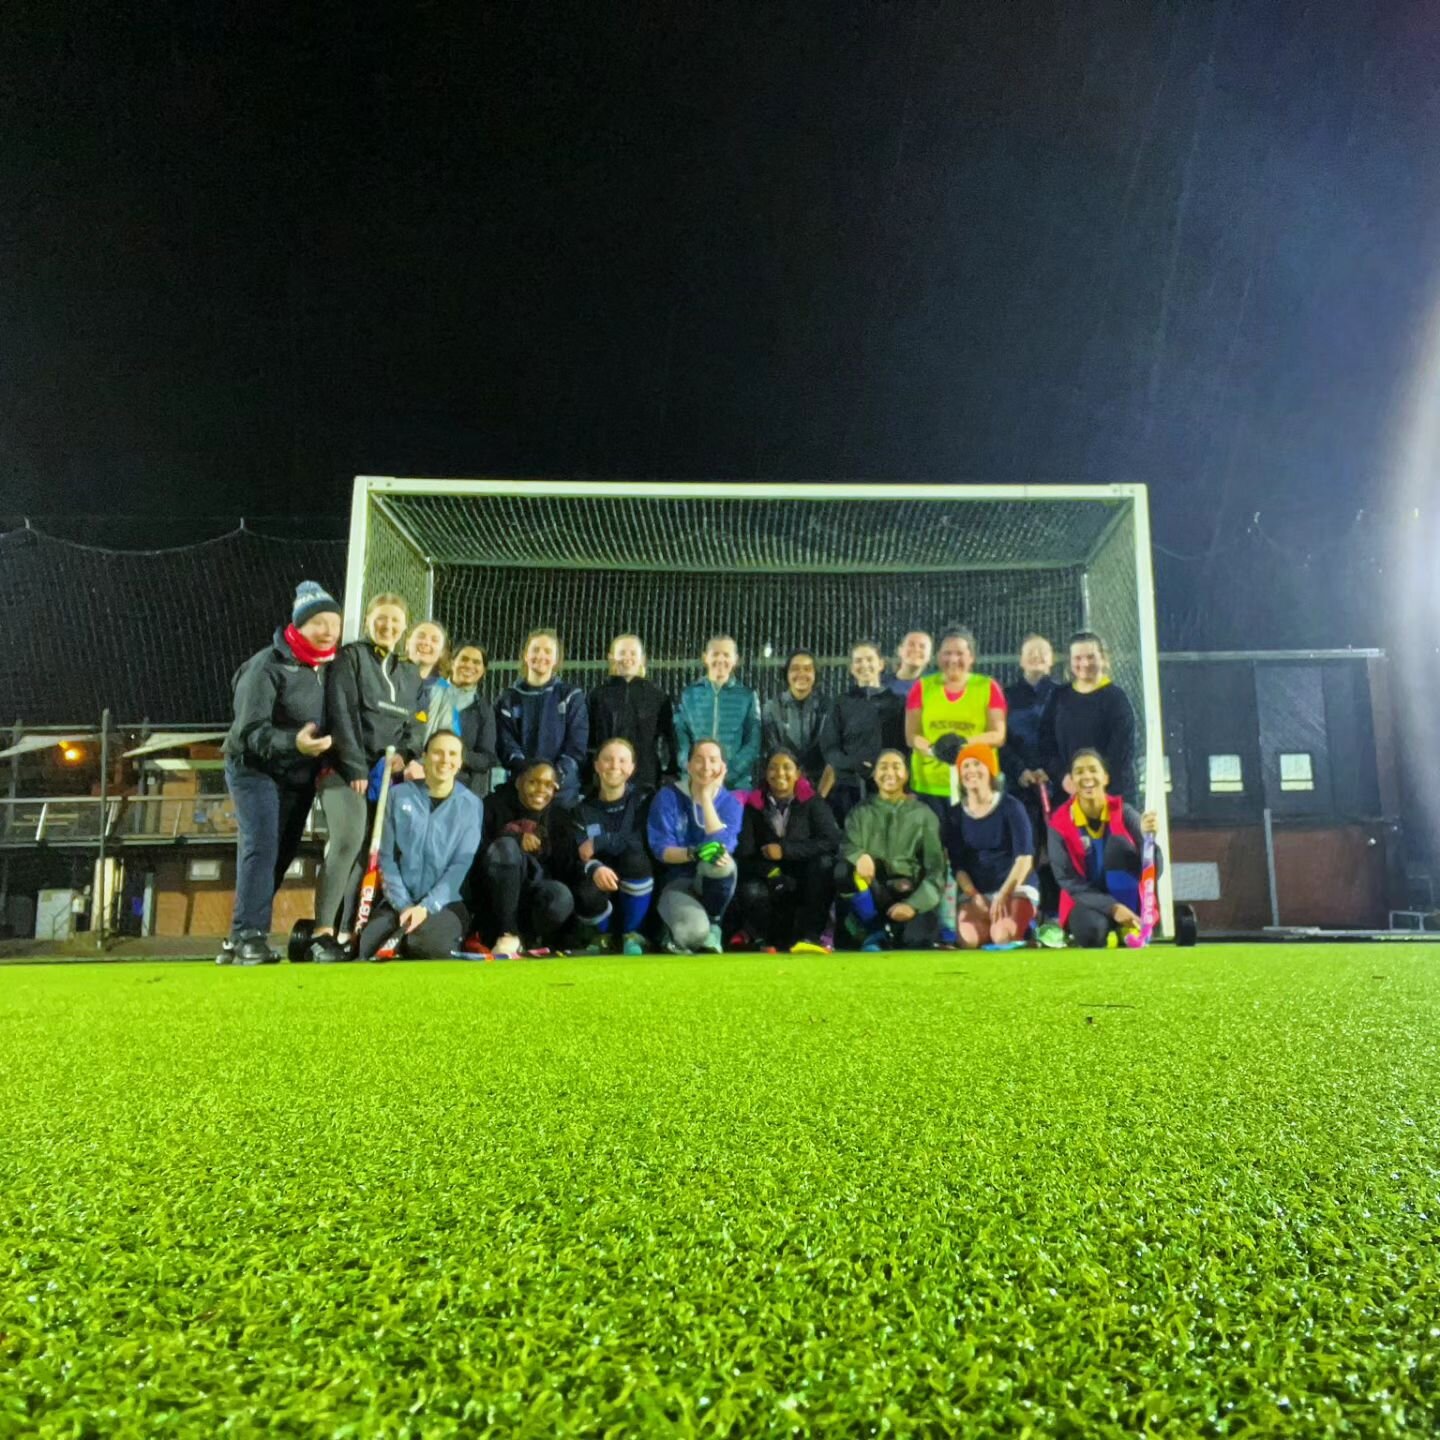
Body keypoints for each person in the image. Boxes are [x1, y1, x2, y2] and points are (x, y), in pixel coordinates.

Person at [220, 580, 341, 966]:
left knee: (283, 851)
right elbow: (249, 732)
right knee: (262, 844)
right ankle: (250, 934)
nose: (328, 631)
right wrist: (296, 744)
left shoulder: (333, 667)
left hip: (298, 775)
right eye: (318, 623)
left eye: (333, 623)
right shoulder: (265, 666)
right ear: (298, 625)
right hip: (254, 768)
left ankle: (236, 940)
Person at [312, 591, 422, 961]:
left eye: (395, 620)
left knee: (367, 853)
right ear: (368, 622)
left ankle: (348, 932)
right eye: (381, 619)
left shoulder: (408, 672)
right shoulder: (351, 658)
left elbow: (413, 726)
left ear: (404, 627)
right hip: (345, 770)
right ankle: (321, 932)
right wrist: (356, 766)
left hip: (384, 775)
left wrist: (404, 755)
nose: (388, 626)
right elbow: (341, 712)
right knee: (347, 840)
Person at [360, 730, 482, 960]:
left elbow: (460, 865)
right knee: (370, 945)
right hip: (400, 901)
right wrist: (404, 905)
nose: (445, 760)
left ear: (460, 762)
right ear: (424, 757)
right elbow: (386, 856)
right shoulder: (397, 796)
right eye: (437, 753)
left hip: (445, 903)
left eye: (452, 754)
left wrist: (427, 906)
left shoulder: (471, 805)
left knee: (429, 945)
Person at [476, 759, 591, 958]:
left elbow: (567, 869)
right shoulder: (492, 806)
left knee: (561, 897)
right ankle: (506, 934)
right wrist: (516, 839)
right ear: (518, 782)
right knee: (506, 848)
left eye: (548, 785)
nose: (541, 790)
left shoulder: (559, 818)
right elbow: (478, 852)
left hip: (536, 896)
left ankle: (529, 940)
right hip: (495, 898)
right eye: (533, 782)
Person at [1047, 749, 1161, 948]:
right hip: (1086, 901)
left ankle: (1128, 927)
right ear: (1072, 781)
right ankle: (1113, 930)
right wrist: (1113, 908)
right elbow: (1067, 880)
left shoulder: (1126, 814)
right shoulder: (1059, 823)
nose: (1087, 776)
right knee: (1091, 934)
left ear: (1105, 777)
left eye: (1093, 770)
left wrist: (1147, 838)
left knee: (1117, 844)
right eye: (1079, 772)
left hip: (1128, 900)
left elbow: (1154, 869)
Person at [835, 749, 945, 951]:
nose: (890, 773)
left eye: (896, 767)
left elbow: (936, 871)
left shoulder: (924, 815)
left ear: (907, 774)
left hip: (909, 892)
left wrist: (913, 905)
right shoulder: (860, 812)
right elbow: (847, 845)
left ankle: (886, 935)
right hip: (873, 891)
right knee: (843, 871)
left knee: (914, 941)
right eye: (883, 767)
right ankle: (873, 930)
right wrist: (859, 856)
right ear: (874, 774)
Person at [736, 748, 840, 953]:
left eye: (786, 767)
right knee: (750, 889)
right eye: (773, 768)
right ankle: (762, 937)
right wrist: (771, 872)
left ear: (798, 773)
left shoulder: (813, 802)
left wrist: (785, 850)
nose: (780, 773)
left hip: (807, 879)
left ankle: (812, 936)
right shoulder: (754, 806)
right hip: (771, 879)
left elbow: (831, 840)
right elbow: (745, 853)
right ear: (765, 773)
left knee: (825, 864)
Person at [647, 738, 743, 953]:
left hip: (710, 882)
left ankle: (714, 923)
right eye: (699, 760)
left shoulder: (731, 803)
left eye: (713, 760)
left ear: (723, 768)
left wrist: (706, 799)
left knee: (721, 864)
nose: (706, 767)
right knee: (692, 935)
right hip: (678, 883)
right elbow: (661, 849)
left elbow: (720, 848)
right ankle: (674, 929)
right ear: (689, 765)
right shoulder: (668, 797)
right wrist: (694, 853)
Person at [904, 626, 1007, 823]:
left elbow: (998, 735)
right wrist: (935, 750)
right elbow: (912, 736)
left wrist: (963, 743)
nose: (953, 659)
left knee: (970, 849)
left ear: (971, 657)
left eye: (959, 653)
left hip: (975, 785)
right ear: (938, 656)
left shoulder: (988, 687)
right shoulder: (922, 687)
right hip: (929, 786)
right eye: (947, 653)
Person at [567, 737, 655, 956]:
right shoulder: (582, 809)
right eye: (607, 759)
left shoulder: (645, 799)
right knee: (585, 882)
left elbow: (638, 841)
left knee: (634, 858)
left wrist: (600, 841)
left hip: (635, 880)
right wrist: (595, 867)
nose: (615, 766)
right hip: (602, 881)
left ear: (632, 768)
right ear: (597, 765)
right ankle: (602, 936)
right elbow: (579, 854)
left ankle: (632, 934)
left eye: (622, 760)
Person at [944, 743, 1038, 949]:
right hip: (977, 893)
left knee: (1002, 935)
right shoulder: (955, 815)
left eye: (977, 764)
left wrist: (1003, 895)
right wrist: (975, 896)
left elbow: (1024, 859)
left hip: (1014, 889)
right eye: (965, 766)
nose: (970, 771)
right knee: (968, 940)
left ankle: (1029, 927)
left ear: (990, 770)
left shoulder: (1012, 807)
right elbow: (958, 866)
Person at [1040, 630, 1137, 803]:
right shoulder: (1058, 697)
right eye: (1077, 658)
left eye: (1091, 657)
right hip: (1068, 797)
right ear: (1070, 662)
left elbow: (1121, 752)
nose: (1084, 663)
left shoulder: (1116, 698)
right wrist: (1063, 778)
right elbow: (1045, 745)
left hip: (1110, 797)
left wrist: (1092, 783)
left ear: (1103, 658)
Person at [496, 629, 589, 806]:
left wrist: (552, 778)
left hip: (561, 793)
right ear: (525, 655)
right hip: (522, 790)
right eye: (536, 649)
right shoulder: (508, 698)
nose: (541, 655)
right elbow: (505, 742)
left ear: (556, 659)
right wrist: (527, 775)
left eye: (548, 651)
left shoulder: (571, 695)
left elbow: (577, 745)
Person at [818, 640, 905, 824]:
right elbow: (830, 748)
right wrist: (854, 764)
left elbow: (904, 747)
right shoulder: (841, 703)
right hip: (848, 790)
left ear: (881, 664)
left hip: (888, 790)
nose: (864, 665)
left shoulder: (897, 703)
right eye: (858, 661)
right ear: (851, 668)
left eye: (869, 659)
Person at [1001, 634, 1059, 912]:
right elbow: (1001, 743)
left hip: (1056, 789)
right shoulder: (1006, 696)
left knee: (1058, 852)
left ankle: (1057, 915)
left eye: (1042, 651)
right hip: (1019, 789)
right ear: (1021, 659)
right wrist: (1020, 770)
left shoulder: (1063, 694)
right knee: (1026, 851)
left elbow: (1065, 739)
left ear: (1052, 659)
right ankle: (1025, 917)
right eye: (1030, 652)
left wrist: (1051, 770)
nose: (1036, 656)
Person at [587, 633, 677, 791]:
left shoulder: (657, 696)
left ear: (643, 658)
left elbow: (670, 738)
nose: (627, 657)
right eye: (622, 653)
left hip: (646, 778)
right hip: (606, 776)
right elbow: (589, 739)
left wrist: (669, 772)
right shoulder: (597, 695)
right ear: (611, 657)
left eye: (633, 653)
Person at [674, 635, 761, 790]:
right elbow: (680, 736)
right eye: (715, 654)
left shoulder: (747, 696)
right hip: (694, 782)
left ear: (735, 659)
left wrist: (727, 774)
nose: (720, 659)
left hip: (735, 786)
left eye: (726, 655)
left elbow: (753, 743)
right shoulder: (689, 695)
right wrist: (693, 768)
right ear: (705, 658)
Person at [761, 649, 828, 786]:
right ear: (786, 673)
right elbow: (771, 747)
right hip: (783, 782)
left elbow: (829, 750)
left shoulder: (827, 707)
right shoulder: (772, 708)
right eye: (795, 669)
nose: (801, 674)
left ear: (815, 674)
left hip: (819, 784)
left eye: (807, 669)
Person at [449, 643, 498, 799]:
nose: (469, 665)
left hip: (461, 789)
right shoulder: (429, 694)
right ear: (452, 662)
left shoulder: (484, 710)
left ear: (483, 670)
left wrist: (457, 756)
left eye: (476, 662)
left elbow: (487, 759)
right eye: (464, 659)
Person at [408, 621, 453, 759]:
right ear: (407, 643)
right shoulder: (387, 679)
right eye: (421, 636)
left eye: (434, 640)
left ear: (442, 652)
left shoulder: (446, 692)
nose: (426, 643)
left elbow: (445, 736)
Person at [885, 630, 934, 699]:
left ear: (929, 656)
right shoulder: (881, 683)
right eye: (911, 644)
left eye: (922, 646)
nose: (916, 649)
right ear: (900, 651)